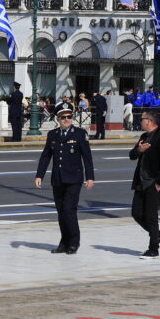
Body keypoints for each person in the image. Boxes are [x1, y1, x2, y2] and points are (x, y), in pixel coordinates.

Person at [34, 102, 95, 255]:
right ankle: (64, 242)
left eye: (69, 117)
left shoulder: (80, 133)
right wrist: (39, 175)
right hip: (58, 179)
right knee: (61, 212)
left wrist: (90, 177)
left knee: (69, 210)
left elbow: (87, 157)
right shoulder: (52, 135)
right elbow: (46, 156)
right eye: (63, 117)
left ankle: (74, 242)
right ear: (58, 119)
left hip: (74, 179)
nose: (67, 119)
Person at [129, 109, 160, 258]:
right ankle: (157, 235)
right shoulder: (144, 136)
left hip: (154, 183)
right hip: (141, 182)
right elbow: (132, 155)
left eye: (142, 119)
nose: (140, 121)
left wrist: (159, 183)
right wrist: (139, 150)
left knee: (150, 216)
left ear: (149, 121)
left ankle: (153, 248)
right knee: (136, 213)